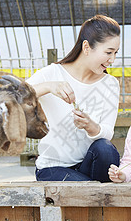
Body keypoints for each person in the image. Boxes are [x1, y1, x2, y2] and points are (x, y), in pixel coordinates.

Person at [25, 15, 121, 182]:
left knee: (106, 149)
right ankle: (96, 195)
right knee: (90, 190)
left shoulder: (110, 84)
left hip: (87, 164)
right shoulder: (53, 73)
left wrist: (91, 127)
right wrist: (49, 87)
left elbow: (107, 132)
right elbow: (13, 98)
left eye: (115, 53)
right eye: (108, 52)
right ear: (86, 47)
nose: (112, 60)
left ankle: (93, 193)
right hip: (53, 168)